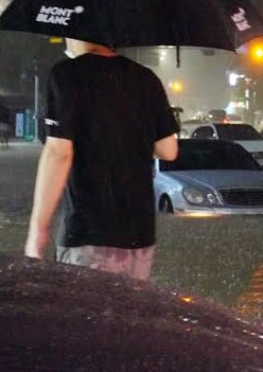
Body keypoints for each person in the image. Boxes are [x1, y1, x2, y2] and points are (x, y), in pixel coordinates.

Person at [24, 38, 179, 281]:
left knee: (88, 316)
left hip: (89, 232)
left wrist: (38, 230)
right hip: (139, 233)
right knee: (130, 315)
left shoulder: (67, 75)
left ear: (77, 34)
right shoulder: (146, 78)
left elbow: (58, 153)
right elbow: (169, 150)